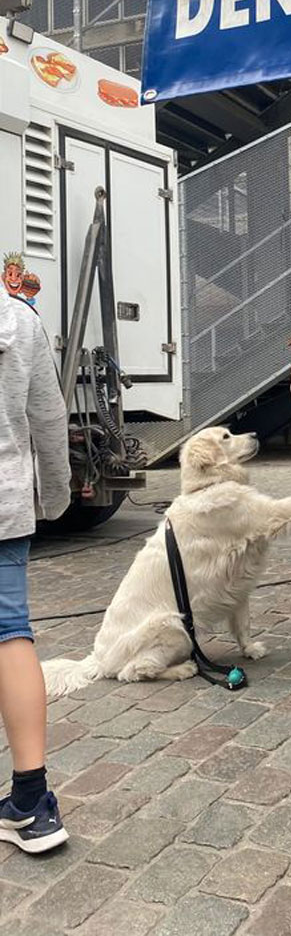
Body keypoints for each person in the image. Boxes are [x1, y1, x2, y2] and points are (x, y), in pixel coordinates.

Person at [0, 285, 71, 851]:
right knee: (10, 634)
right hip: (4, 505)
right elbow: (48, 419)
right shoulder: (17, 319)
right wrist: (56, 497)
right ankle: (29, 802)